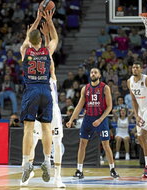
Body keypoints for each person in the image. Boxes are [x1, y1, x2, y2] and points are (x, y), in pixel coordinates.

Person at [21, 21, 65, 188]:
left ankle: (26, 163)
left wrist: (37, 19)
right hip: (45, 92)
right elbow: (55, 38)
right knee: (47, 129)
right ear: (41, 40)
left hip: (31, 89)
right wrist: (49, 22)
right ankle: (47, 160)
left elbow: (28, 39)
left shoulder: (25, 50)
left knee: (28, 128)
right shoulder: (47, 53)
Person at [66, 68, 120, 179]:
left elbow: (109, 106)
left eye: (95, 72)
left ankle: (112, 169)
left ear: (99, 75)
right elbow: (79, 106)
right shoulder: (85, 88)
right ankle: (79, 170)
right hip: (88, 119)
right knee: (82, 144)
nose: (93, 74)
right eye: (91, 72)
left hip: (101, 119)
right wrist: (71, 120)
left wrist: (100, 119)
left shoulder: (105, 88)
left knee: (106, 145)